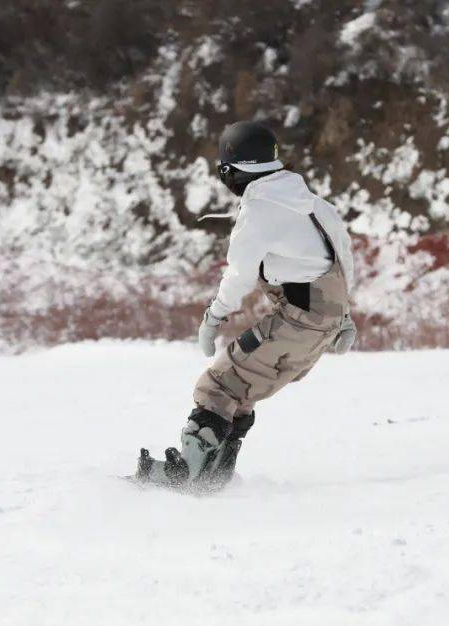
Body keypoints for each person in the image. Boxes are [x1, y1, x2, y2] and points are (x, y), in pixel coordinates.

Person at [137, 121, 356, 487]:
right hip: (321, 324)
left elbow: (238, 277)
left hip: (297, 323)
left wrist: (213, 319)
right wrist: (345, 316)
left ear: (231, 171)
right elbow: (343, 258)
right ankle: (214, 475)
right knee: (240, 389)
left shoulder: (257, 213)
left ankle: (187, 476)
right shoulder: (317, 206)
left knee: (218, 384)